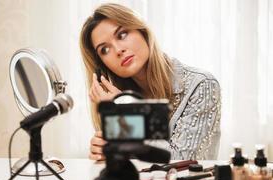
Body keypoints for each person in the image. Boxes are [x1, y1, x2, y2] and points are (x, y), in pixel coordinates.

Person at [79, 3, 221, 161]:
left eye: (122, 34)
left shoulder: (202, 85)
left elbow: (183, 161)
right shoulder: (115, 95)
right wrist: (105, 153)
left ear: (142, 31)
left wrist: (126, 113)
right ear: (102, 65)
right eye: (104, 50)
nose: (118, 50)